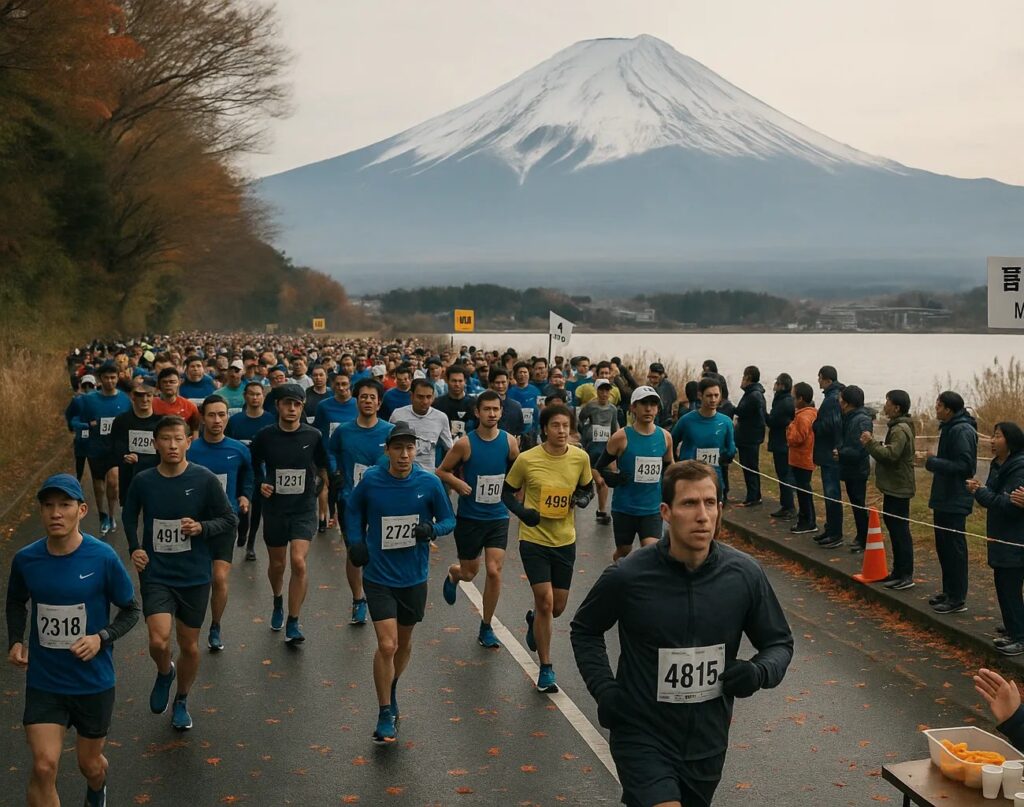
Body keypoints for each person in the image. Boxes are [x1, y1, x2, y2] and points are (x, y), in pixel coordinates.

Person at [570, 460, 794, 807]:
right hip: (641, 733)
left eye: (710, 503)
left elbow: (779, 643)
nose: (702, 515)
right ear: (666, 512)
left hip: (708, 741)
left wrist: (757, 672)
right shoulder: (628, 576)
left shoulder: (744, 575)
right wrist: (605, 690)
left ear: (720, 509)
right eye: (689, 503)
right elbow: (584, 630)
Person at [6, 474, 140, 807]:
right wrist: (16, 640)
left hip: (92, 681)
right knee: (43, 765)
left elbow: (131, 610)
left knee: (90, 765)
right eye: (48, 506)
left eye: (64, 505)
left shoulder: (103, 557)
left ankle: (98, 787)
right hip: (46, 681)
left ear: (81, 510)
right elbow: (15, 600)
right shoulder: (26, 559)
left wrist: (101, 637)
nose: (55, 513)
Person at [122, 416, 237, 731]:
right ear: (155, 442)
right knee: (159, 641)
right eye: (166, 439)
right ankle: (164, 672)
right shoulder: (144, 480)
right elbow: (129, 515)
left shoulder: (205, 479)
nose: (172, 445)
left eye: (178, 439)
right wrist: (135, 547)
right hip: (157, 572)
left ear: (189, 441)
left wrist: (201, 527)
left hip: (194, 575)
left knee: (188, 645)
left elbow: (229, 519)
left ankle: (182, 699)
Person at [344, 423, 456, 744]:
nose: (404, 454)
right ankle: (383, 713)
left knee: (403, 645)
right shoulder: (371, 482)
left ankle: (391, 686)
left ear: (416, 450)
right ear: (388, 451)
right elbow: (353, 511)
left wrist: (432, 531)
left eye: (410, 448)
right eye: (398, 448)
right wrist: (355, 542)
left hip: (414, 577)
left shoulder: (429, 483)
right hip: (379, 576)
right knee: (387, 645)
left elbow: (449, 519)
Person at [502, 402, 594, 693]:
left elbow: (587, 488)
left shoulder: (580, 458)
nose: (562, 430)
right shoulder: (528, 459)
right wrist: (523, 512)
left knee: (556, 607)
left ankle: (535, 622)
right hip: (534, 539)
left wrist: (581, 500)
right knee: (544, 600)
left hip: (565, 539)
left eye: (566, 425)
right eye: (556, 425)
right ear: (544, 429)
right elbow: (506, 492)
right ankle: (546, 668)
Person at [436, 390, 519, 648]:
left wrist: (519, 502)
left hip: (497, 516)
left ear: (501, 412)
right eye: (487, 409)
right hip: (471, 518)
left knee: (494, 571)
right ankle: (453, 574)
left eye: (496, 409)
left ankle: (486, 625)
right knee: (470, 573)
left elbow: (520, 472)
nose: (492, 414)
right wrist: (458, 482)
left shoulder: (508, 442)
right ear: (477, 412)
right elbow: (441, 471)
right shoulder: (465, 444)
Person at [249, 383, 329, 643]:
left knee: (298, 561)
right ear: (278, 406)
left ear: (302, 406)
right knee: (277, 564)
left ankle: (293, 621)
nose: (292, 408)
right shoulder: (265, 435)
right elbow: (253, 464)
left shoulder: (313, 435)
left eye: (296, 404)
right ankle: (277, 600)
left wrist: (319, 487)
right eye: (287, 403)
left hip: (303, 508)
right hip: (275, 509)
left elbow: (323, 467)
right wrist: (261, 483)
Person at [186, 396, 254, 651]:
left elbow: (249, 473)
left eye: (222, 415)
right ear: (203, 418)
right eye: (212, 415)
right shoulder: (191, 450)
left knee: (219, 577)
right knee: (197, 579)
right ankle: (191, 624)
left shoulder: (238, 449)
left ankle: (215, 625)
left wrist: (245, 494)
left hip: (225, 520)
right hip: (193, 523)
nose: (217, 420)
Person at [329, 378, 393, 626]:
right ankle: (358, 599)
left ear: (379, 403)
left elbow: (401, 458)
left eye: (372, 397)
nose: (367, 401)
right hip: (350, 500)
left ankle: (380, 593)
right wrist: (335, 472)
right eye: (363, 396)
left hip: (381, 500)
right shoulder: (344, 431)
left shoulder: (389, 431)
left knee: (378, 548)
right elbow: (332, 452)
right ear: (357, 400)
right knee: (355, 550)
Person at [597, 386, 674, 560]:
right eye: (643, 404)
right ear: (633, 408)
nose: (648, 409)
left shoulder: (665, 437)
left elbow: (670, 467)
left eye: (653, 404)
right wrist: (610, 477)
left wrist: (674, 494)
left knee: (651, 550)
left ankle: (644, 586)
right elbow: (598, 466)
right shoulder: (620, 437)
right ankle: (616, 571)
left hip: (652, 508)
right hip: (625, 507)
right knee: (624, 551)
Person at [967, 423, 1024, 654]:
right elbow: (995, 497)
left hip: (1014, 538)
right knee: (1004, 583)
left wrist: (981, 491)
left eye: (997, 436)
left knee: (1009, 585)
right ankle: (1014, 626)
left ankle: (1019, 636)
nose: (991, 440)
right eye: (992, 435)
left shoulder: (1019, 468)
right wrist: (980, 490)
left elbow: (1010, 507)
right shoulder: (999, 464)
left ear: (1010, 441)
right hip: (1000, 534)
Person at [919, 390, 977, 614]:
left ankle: (957, 597)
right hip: (944, 496)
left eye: (939, 405)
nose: (935, 408)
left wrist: (933, 462)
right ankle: (949, 590)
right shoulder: (950, 427)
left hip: (955, 497)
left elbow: (965, 467)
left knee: (954, 548)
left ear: (949, 409)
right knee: (943, 546)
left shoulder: (962, 430)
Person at [861, 390, 916, 589]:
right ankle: (898, 571)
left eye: (887, 402)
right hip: (894, 486)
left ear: (897, 407)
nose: (885, 405)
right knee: (895, 529)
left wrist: (870, 443)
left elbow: (891, 455)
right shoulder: (898, 426)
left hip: (899, 487)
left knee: (900, 530)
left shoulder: (900, 429)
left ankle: (905, 574)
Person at [73, 363, 130, 535]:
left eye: (113, 377)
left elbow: (129, 423)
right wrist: (86, 430)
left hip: (115, 448)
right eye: (106, 377)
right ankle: (102, 515)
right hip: (95, 448)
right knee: (99, 487)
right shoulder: (89, 400)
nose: (110, 381)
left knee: (113, 482)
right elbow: (77, 421)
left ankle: (112, 514)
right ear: (100, 379)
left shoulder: (125, 399)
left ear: (118, 378)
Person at [226, 381, 276, 560]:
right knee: (242, 506)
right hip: (239, 470)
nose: (255, 398)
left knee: (257, 507)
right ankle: (242, 530)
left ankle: (251, 544)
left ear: (263, 396)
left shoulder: (270, 419)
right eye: (251, 394)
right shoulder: (235, 420)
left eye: (258, 394)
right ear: (245, 397)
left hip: (260, 471)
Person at [671, 378, 736, 499]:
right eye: (709, 396)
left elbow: (731, 448)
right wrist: (675, 464)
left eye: (716, 395)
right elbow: (671, 442)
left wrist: (726, 456)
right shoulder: (686, 420)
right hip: (689, 477)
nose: (713, 400)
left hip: (713, 478)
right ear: (700, 395)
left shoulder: (726, 422)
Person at [313, 372, 357, 530]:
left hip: (351, 453)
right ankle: (330, 516)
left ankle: (347, 516)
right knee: (332, 483)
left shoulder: (357, 404)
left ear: (350, 385)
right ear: (332, 386)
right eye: (337, 384)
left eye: (344, 384)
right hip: (330, 453)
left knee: (348, 486)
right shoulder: (324, 406)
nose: (341, 387)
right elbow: (318, 430)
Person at [832, 385, 872, 553]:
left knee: (858, 504)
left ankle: (864, 537)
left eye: (841, 399)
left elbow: (859, 448)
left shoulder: (861, 420)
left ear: (847, 402)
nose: (839, 401)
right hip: (850, 467)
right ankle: (862, 536)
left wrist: (841, 453)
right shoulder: (849, 417)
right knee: (856, 503)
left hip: (857, 468)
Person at [578, 378, 621, 524]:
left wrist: (615, 453)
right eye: (601, 390)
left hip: (606, 448)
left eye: (607, 390)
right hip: (592, 448)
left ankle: (602, 511)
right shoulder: (590, 407)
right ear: (596, 391)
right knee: (599, 480)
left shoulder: (613, 409)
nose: (604, 393)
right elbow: (580, 420)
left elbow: (614, 429)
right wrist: (586, 434)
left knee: (605, 482)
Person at [389, 378, 453, 473]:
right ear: (411, 396)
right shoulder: (398, 415)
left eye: (428, 397)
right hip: (400, 474)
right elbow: (387, 443)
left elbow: (450, 448)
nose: (425, 401)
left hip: (427, 475)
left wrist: (442, 470)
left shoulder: (441, 418)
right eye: (420, 397)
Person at [812, 366, 844, 546]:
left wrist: (815, 425)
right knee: (829, 493)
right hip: (829, 451)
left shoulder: (832, 400)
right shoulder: (835, 396)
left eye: (820, 378)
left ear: (828, 380)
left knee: (832, 493)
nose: (818, 380)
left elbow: (830, 426)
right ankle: (830, 528)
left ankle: (835, 532)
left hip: (829, 453)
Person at [733, 366, 767, 507]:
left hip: (750, 438)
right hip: (749, 437)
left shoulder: (753, 395)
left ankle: (753, 496)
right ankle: (753, 495)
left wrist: (730, 407)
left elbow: (742, 411)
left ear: (748, 377)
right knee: (749, 466)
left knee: (750, 467)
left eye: (743, 377)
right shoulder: (753, 393)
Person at [786, 383, 818, 535]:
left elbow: (796, 438)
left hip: (801, 459)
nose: (792, 400)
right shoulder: (811, 414)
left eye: (794, 397)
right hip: (806, 458)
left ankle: (807, 521)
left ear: (801, 399)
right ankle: (808, 519)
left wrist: (789, 427)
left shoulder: (802, 417)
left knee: (803, 490)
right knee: (805, 489)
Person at [766, 373, 796, 519]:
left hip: (781, 443)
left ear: (781, 386)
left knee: (784, 474)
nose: (774, 385)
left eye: (777, 383)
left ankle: (788, 506)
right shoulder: (786, 400)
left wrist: (763, 413)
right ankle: (787, 504)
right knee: (784, 474)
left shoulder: (783, 402)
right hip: (783, 442)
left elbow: (773, 421)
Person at [433, 364, 478, 440]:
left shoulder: (474, 403)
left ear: (465, 381)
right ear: (447, 381)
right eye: (454, 381)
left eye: (460, 381)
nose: (457, 384)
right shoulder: (437, 404)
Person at [152, 367, 201, 434]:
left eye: (172, 382)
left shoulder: (190, 406)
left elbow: (195, 430)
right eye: (164, 382)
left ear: (179, 382)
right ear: (159, 384)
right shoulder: (151, 404)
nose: (168, 385)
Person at [66, 374, 96, 481]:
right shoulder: (98, 399)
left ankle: (78, 483)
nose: (88, 388)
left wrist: (71, 427)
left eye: (89, 386)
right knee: (94, 469)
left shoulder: (77, 400)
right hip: (92, 437)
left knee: (80, 465)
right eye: (86, 386)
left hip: (82, 437)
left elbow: (69, 416)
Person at [647, 362, 677, 427]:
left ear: (662, 375)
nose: (652, 380)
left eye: (655, 377)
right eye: (649, 377)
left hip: (663, 424)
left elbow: (663, 408)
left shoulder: (666, 387)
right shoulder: (654, 386)